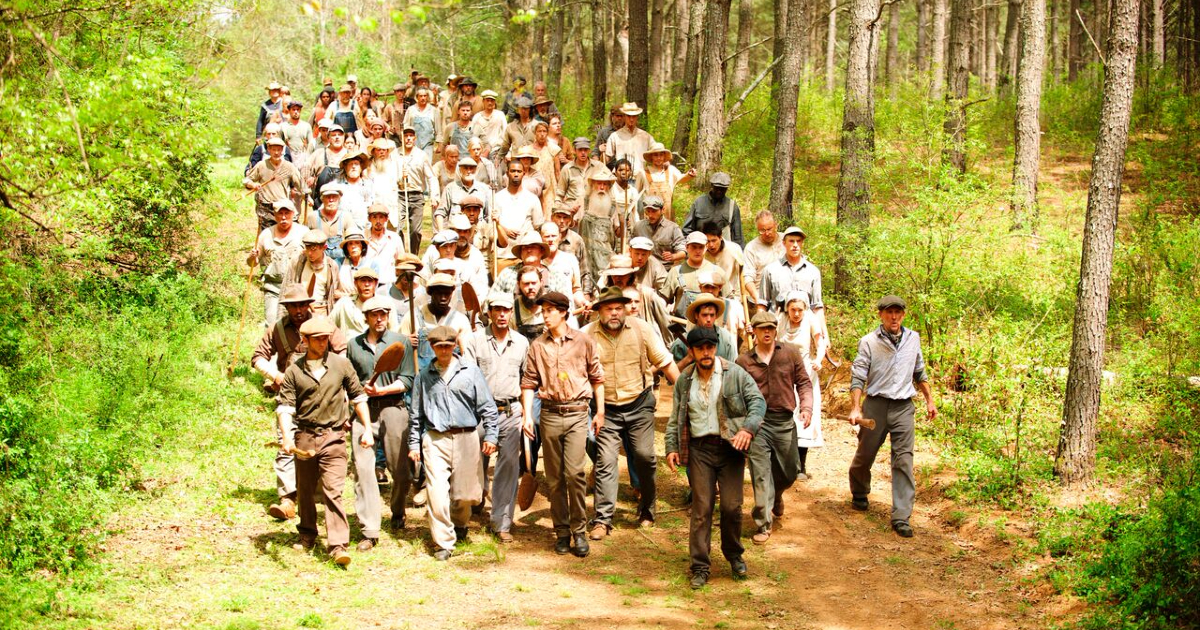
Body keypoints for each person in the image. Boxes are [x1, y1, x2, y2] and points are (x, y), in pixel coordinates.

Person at [665, 326, 765, 589]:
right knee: (702, 508)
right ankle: (700, 565)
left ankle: (734, 555)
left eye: (710, 347)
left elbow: (758, 402)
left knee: (732, 507)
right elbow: (676, 416)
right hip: (700, 450)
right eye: (700, 348)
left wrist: (747, 428)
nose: (706, 353)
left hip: (730, 448)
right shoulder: (685, 380)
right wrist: (671, 447)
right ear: (694, 351)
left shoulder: (735, 374)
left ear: (716, 348)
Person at [276, 316, 374, 566]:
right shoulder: (294, 371)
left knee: (333, 491)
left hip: (334, 437)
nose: (323, 343)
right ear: (305, 340)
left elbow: (358, 397)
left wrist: (366, 429)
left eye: (325, 338)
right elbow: (285, 407)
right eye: (317, 339)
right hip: (305, 438)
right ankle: (307, 533)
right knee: (306, 491)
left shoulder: (341, 365)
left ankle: (338, 545)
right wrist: (287, 437)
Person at [583, 287, 678, 539]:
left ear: (625, 309)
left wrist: (686, 395)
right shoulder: (587, 335)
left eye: (618, 308)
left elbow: (665, 362)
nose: (614, 313)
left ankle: (647, 507)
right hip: (606, 410)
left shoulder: (641, 329)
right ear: (599, 312)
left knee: (645, 457)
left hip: (639, 403)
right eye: (608, 308)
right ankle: (602, 519)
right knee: (605, 461)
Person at [520, 291, 605, 557]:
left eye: (549, 310)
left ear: (563, 312)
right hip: (550, 414)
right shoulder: (537, 346)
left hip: (578, 412)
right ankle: (562, 532)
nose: (545, 315)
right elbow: (528, 383)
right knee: (555, 479)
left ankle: (579, 531)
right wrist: (526, 415)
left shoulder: (583, 342)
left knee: (575, 475)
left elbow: (597, 378)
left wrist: (599, 412)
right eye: (543, 310)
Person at [252, 288, 348, 522]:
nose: (297, 310)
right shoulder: (277, 329)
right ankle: (287, 499)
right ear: (286, 307)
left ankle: (318, 493)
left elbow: (342, 351)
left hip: (321, 396)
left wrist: (335, 381)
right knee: (286, 443)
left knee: (323, 443)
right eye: (292, 306)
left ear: (308, 304)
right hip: (291, 394)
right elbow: (257, 358)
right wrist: (276, 376)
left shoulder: (323, 325)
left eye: (301, 305)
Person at [407, 325, 499, 560]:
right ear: (432, 347)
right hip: (435, 438)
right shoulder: (424, 376)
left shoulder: (471, 371)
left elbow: (487, 406)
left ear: (455, 346)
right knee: (437, 492)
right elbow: (416, 413)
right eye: (439, 347)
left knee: (466, 494)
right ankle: (443, 542)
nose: (444, 351)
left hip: (466, 435)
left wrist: (490, 435)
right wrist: (413, 445)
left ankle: (460, 523)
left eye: (448, 346)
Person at [848, 295, 936, 539]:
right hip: (876, 405)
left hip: (904, 406)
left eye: (898, 312)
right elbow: (858, 377)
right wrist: (856, 407)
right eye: (889, 312)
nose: (894, 316)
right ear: (881, 315)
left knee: (904, 460)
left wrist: (929, 400)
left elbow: (919, 372)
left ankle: (901, 516)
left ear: (904, 315)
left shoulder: (913, 338)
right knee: (866, 453)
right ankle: (859, 491)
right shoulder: (868, 342)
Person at [735, 311, 812, 545]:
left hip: (784, 422)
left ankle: (777, 494)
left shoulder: (790, 353)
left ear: (775, 330)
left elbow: (804, 383)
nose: (767, 332)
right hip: (757, 424)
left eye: (770, 328)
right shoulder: (744, 362)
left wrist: (806, 407)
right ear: (754, 331)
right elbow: (736, 395)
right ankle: (763, 521)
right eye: (762, 328)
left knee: (790, 471)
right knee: (760, 474)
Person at [345, 297, 416, 547]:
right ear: (366, 317)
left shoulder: (401, 341)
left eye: (384, 314)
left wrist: (382, 391)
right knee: (363, 469)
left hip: (394, 408)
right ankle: (370, 530)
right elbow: (349, 382)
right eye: (374, 314)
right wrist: (353, 404)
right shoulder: (353, 345)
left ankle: (398, 511)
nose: (379, 319)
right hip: (363, 411)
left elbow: (407, 379)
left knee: (400, 470)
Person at [461, 292, 529, 543]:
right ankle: (475, 498)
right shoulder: (474, 340)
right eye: (497, 310)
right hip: (478, 412)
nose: (501, 315)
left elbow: (527, 381)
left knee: (509, 466)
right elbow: (467, 378)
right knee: (473, 460)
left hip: (510, 411)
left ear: (511, 312)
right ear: (488, 312)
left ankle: (501, 521)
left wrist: (526, 412)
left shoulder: (522, 342)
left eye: (506, 310)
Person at [779, 291, 826, 482]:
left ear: (804, 309)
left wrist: (819, 359)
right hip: (782, 374)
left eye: (799, 309)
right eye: (793, 310)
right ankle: (783, 462)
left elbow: (820, 341)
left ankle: (801, 465)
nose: (796, 313)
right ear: (787, 309)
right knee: (783, 415)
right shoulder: (781, 320)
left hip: (805, 374)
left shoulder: (810, 319)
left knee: (804, 416)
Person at [757, 226, 827, 350]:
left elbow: (817, 307)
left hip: (803, 330)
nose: (795, 245)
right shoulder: (771, 270)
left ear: (802, 243)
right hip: (776, 328)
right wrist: (759, 329)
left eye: (798, 241)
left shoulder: (813, 272)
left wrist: (824, 335)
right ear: (784, 243)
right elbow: (762, 304)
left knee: (803, 365)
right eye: (791, 241)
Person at [248, 199, 309, 327]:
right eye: (279, 214)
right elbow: (253, 263)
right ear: (274, 215)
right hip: (273, 287)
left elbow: (314, 256)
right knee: (272, 324)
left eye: (287, 213)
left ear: (294, 214)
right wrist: (252, 257)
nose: (283, 217)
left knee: (299, 324)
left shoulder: (303, 232)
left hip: (296, 287)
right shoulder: (266, 234)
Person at [244, 137, 305, 233]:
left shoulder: (289, 166)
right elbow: (247, 180)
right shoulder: (261, 165)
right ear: (269, 150)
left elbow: (301, 185)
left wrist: (307, 197)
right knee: (267, 233)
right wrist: (253, 185)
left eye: (279, 150)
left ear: (282, 150)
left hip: (282, 205)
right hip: (265, 206)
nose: (276, 152)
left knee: (286, 232)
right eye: (273, 149)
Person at [396, 124, 440, 252]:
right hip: (399, 195)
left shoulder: (422, 155)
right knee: (397, 226)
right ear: (402, 138)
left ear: (415, 138)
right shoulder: (395, 154)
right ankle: (401, 254)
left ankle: (414, 256)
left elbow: (431, 177)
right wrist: (400, 177)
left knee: (415, 231)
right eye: (406, 136)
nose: (408, 139)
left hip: (416, 195)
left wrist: (434, 195)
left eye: (411, 136)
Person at [661, 231, 721, 321]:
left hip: (710, 329)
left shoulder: (717, 272)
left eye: (701, 247)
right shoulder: (676, 272)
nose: (697, 251)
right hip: (682, 330)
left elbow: (729, 300)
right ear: (686, 247)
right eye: (694, 247)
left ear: (706, 247)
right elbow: (662, 300)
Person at [281, 230, 341, 316]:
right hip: (299, 310)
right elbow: (286, 290)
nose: (309, 253)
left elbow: (334, 293)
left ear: (324, 248)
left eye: (313, 249)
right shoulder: (297, 262)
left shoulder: (331, 266)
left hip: (321, 310)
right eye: (307, 248)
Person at [493, 161, 544, 259]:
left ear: (523, 174)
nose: (516, 174)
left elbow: (538, 226)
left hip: (525, 255)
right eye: (513, 171)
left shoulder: (532, 198)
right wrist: (504, 230)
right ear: (507, 173)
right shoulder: (497, 198)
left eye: (519, 171)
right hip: (502, 255)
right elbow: (492, 224)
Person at [682, 172, 744, 248]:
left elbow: (737, 236)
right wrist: (691, 248)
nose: (719, 191)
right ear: (711, 186)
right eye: (717, 188)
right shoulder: (699, 202)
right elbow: (687, 229)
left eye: (723, 189)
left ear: (727, 188)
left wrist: (739, 255)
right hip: (701, 250)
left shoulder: (732, 206)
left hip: (724, 251)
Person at [634, 142, 694, 219]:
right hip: (650, 215)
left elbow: (681, 179)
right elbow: (635, 195)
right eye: (655, 155)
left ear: (664, 156)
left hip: (667, 215)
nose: (659, 158)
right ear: (651, 157)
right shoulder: (643, 172)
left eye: (661, 155)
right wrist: (634, 215)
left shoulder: (671, 170)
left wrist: (689, 175)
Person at [436, 156, 492, 228]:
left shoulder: (484, 189)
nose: (469, 171)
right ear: (460, 170)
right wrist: (441, 232)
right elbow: (440, 213)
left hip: (478, 233)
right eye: (465, 168)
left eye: (471, 168)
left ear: (476, 170)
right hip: (456, 232)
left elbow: (489, 216)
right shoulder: (450, 188)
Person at [306, 184, 355, 266]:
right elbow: (305, 242)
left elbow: (354, 240)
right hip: (319, 263)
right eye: (328, 197)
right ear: (322, 199)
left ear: (339, 199)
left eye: (334, 197)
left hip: (341, 264)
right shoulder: (313, 217)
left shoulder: (346, 217)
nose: (331, 200)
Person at [631, 195, 685, 270]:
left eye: (654, 211)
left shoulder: (673, 228)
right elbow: (629, 247)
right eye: (648, 211)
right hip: (642, 269)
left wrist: (673, 256)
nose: (650, 215)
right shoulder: (638, 227)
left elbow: (683, 252)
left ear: (662, 210)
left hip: (664, 269)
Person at [742, 211, 784, 305]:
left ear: (776, 225)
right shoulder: (751, 248)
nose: (767, 233)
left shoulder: (786, 240)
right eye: (762, 230)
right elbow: (747, 278)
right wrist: (757, 297)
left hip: (785, 295)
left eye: (769, 229)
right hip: (760, 296)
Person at [364, 203, 405, 296]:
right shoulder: (362, 238)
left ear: (386, 219)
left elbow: (401, 262)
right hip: (367, 285)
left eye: (381, 217)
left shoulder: (395, 238)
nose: (378, 221)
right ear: (369, 219)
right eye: (374, 217)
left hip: (389, 285)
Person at [557, 138, 605, 213]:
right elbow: (559, 195)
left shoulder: (599, 166)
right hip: (573, 210)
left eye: (585, 150)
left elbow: (609, 185)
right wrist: (566, 208)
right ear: (574, 150)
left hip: (593, 210)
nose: (583, 153)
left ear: (589, 151)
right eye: (580, 150)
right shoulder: (567, 169)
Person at [603, 102, 655, 171]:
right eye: (628, 116)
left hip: (640, 176)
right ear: (624, 116)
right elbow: (607, 158)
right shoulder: (615, 136)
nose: (631, 119)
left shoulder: (646, 136)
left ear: (637, 117)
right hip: (621, 177)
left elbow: (657, 151)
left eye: (634, 116)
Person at [403, 87, 441, 157]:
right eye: (421, 96)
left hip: (428, 143)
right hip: (413, 143)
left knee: (426, 163)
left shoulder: (434, 110)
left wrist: (439, 144)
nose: (423, 98)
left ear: (427, 97)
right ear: (417, 97)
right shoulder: (411, 110)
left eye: (425, 96)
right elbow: (405, 125)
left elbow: (438, 129)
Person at [281, 100, 316, 172]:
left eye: (298, 110)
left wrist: (308, 157)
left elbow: (311, 143)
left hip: (303, 156)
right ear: (289, 111)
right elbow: (280, 143)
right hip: (288, 156)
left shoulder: (306, 126)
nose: (296, 112)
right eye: (293, 110)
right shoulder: (283, 126)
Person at [471, 90, 506, 157]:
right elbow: (473, 136)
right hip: (480, 152)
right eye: (487, 100)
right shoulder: (477, 117)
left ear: (495, 102)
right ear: (483, 101)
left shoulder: (500, 115)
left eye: (492, 100)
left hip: (497, 150)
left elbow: (505, 134)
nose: (490, 103)